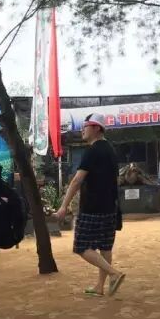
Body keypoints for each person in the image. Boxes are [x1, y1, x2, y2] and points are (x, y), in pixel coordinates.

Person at [55, 112, 126, 297]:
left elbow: (77, 180)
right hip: (110, 207)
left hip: (92, 208)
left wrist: (63, 206)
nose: (82, 130)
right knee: (105, 247)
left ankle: (114, 273)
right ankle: (100, 286)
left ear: (96, 128)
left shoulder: (92, 151)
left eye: (85, 126)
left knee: (81, 247)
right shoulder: (110, 149)